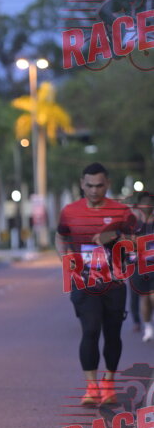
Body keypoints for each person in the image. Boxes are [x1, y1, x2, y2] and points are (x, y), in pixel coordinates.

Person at [56, 162, 136, 406]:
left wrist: (115, 238)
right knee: (90, 330)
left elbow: (135, 241)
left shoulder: (122, 211)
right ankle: (91, 387)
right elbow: (60, 237)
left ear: (107, 184)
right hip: (84, 281)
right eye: (89, 185)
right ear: (82, 184)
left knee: (112, 334)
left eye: (99, 185)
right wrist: (66, 261)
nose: (94, 190)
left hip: (113, 282)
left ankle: (108, 383)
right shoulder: (70, 211)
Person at [130, 192, 154, 342]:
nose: (147, 205)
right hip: (139, 267)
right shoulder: (134, 225)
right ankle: (147, 326)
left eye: (149, 202)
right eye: (144, 202)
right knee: (143, 298)